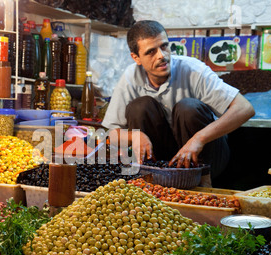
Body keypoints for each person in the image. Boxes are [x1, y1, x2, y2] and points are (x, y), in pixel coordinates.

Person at [101, 20, 255, 186]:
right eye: (151, 52)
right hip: (164, 158)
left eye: (164, 46)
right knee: (139, 107)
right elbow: (109, 133)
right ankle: (152, 179)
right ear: (136, 58)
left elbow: (244, 108)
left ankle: (202, 182)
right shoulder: (130, 77)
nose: (161, 55)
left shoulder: (193, 70)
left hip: (207, 156)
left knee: (187, 108)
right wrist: (134, 136)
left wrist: (198, 139)